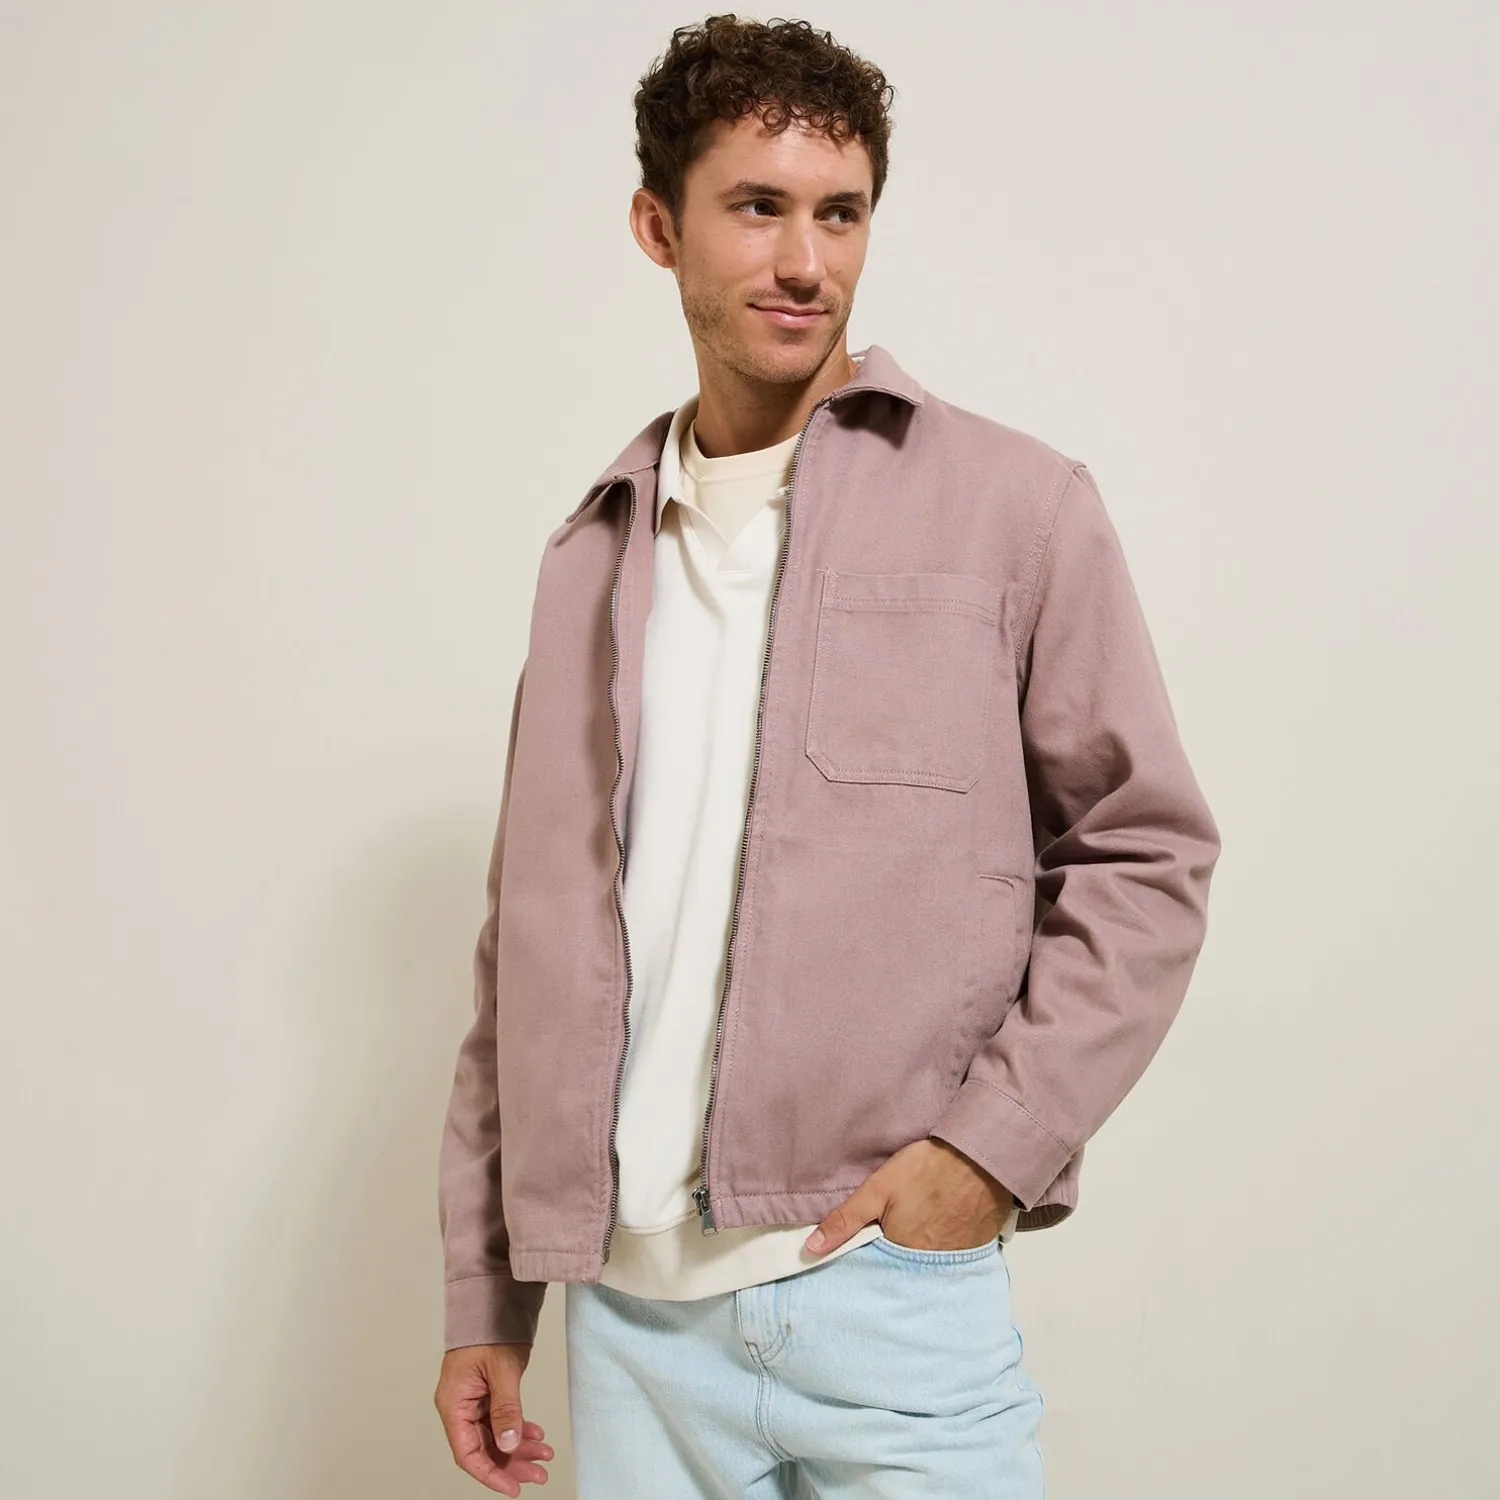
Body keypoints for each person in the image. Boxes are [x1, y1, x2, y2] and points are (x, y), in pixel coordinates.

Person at [432, 15, 1221, 1498]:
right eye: (757, 207)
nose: (807, 261)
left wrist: (990, 1150)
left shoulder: (1014, 507)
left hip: (885, 1295)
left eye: (840, 213)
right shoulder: (588, 557)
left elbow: (1146, 851)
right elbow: (522, 948)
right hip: (627, 1320)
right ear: (658, 228)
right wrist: (490, 1293)